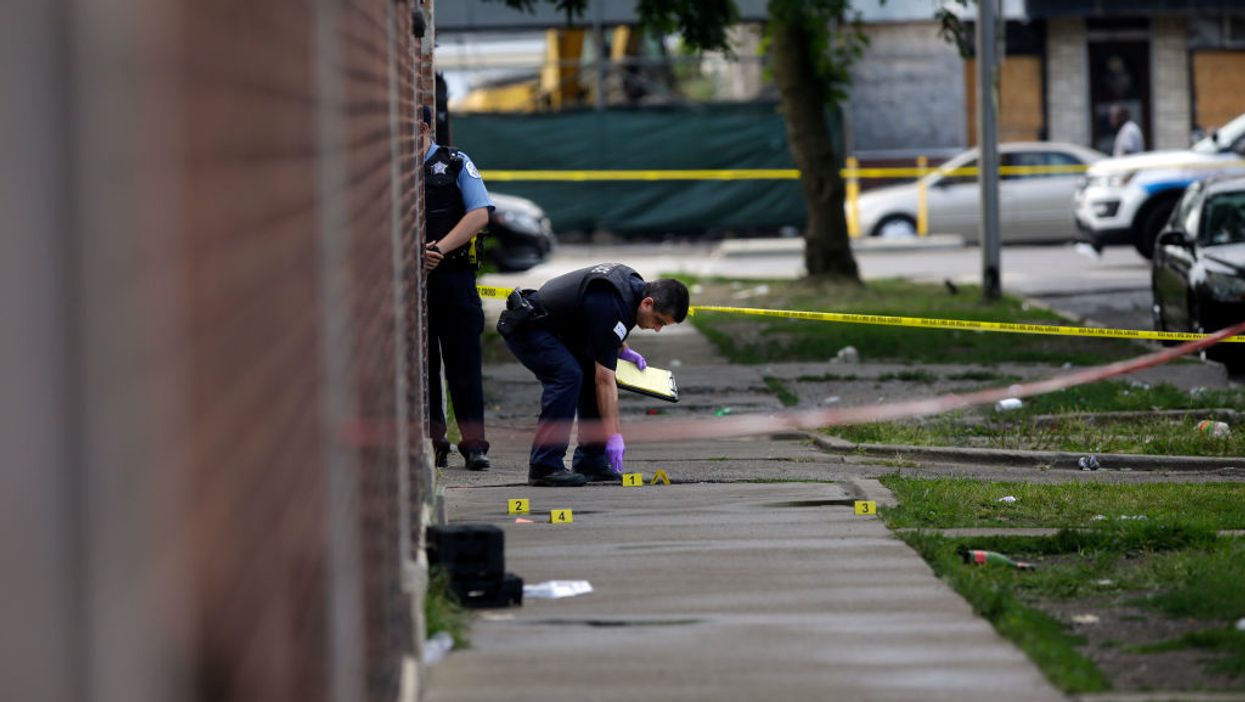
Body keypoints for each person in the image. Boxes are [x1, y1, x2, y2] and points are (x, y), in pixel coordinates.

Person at [498, 263, 690, 487]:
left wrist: (623, 349)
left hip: (555, 329)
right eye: (659, 321)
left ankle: (591, 461)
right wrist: (614, 436)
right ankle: (545, 466)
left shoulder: (632, 287)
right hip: (529, 327)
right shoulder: (612, 299)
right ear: (648, 303)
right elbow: (605, 380)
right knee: (568, 376)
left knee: (588, 372)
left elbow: (603, 326)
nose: (657, 329)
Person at [422, 105, 492, 471]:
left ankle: (474, 445)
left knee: (463, 365)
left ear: (422, 128)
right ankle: (436, 442)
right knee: (425, 368)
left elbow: (480, 213)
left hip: (454, 279)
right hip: (416, 284)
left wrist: (438, 249)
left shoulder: (454, 163)